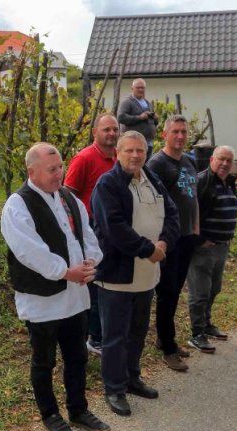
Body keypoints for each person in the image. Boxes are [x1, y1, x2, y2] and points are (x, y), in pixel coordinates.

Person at [1, 143, 111, 431]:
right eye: (51, 169)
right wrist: (65, 271)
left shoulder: (68, 198)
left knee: (77, 357)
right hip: (42, 301)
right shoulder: (17, 205)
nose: (58, 173)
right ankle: (50, 415)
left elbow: (87, 235)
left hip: (75, 298)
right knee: (44, 361)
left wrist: (91, 262)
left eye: (60, 166)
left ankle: (78, 409)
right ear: (31, 171)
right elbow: (28, 251)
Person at [91, 131, 179, 416]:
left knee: (138, 332)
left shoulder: (152, 179)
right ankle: (114, 389)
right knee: (115, 337)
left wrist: (164, 242)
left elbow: (173, 213)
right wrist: (147, 249)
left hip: (147, 275)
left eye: (140, 150)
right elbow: (114, 228)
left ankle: (131, 378)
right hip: (117, 276)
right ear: (117, 152)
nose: (135, 156)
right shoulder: (108, 184)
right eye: (129, 150)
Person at [146, 114, 199, 370]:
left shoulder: (189, 162)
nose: (180, 136)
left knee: (176, 290)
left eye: (183, 132)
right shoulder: (157, 164)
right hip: (169, 238)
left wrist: (196, 228)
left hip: (187, 236)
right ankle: (168, 348)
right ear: (164, 134)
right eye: (175, 131)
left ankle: (164, 337)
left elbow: (193, 196)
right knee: (166, 293)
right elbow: (152, 203)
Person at [64, 112, 119, 356]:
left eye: (115, 129)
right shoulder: (84, 158)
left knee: (106, 283)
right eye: (106, 129)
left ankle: (100, 333)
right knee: (94, 285)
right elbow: (67, 196)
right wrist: (73, 232)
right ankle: (93, 337)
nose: (111, 134)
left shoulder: (120, 157)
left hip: (112, 229)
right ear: (95, 132)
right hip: (89, 230)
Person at [186, 146, 237, 353]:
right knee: (199, 293)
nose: (225, 164)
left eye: (229, 160)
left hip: (221, 247)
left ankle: (207, 324)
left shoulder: (229, 183)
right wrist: (198, 239)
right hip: (203, 249)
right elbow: (189, 212)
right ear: (211, 160)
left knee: (214, 289)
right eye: (221, 159)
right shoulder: (202, 181)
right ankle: (196, 333)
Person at [117, 78, 159, 159]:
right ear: (132, 88)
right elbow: (121, 117)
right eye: (138, 87)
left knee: (146, 167)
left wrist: (155, 119)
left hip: (148, 142)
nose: (140, 90)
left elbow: (151, 122)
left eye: (142, 88)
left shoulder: (147, 102)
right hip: (133, 144)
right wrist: (140, 117)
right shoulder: (127, 102)